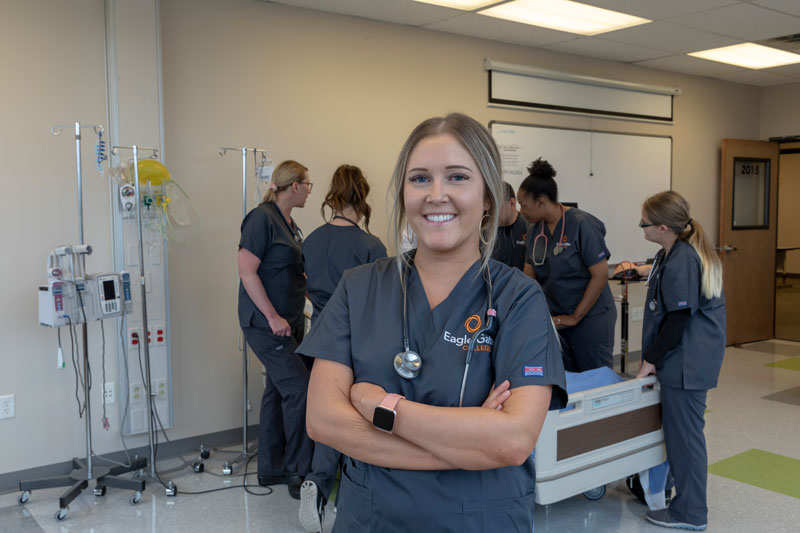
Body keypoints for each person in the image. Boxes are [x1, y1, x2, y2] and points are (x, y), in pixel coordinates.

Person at [297, 113, 567, 532]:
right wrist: (466, 446)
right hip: (372, 519)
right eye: (420, 179)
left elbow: (513, 440)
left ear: (488, 197)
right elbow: (323, 420)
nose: (436, 195)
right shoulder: (359, 288)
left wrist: (381, 407)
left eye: (457, 177)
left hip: (481, 521)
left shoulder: (519, 299)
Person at [299, 164, 387, 532]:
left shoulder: (311, 240)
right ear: (362, 197)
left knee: (325, 412)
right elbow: (379, 303)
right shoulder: (371, 246)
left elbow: (307, 288)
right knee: (353, 418)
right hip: (355, 339)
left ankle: (317, 483)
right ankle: (347, 493)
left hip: (318, 335)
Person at [635, 191, 725, 531]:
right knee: (680, 435)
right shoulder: (674, 253)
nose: (641, 227)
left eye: (644, 223)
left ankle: (690, 513)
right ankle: (679, 497)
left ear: (662, 228)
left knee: (685, 439)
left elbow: (678, 319)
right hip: (686, 359)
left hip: (686, 362)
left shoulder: (682, 258)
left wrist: (650, 360)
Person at [237, 159, 314, 500]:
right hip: (266, 323)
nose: (310, 190)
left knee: (277, 390)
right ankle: (298, 470)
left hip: (291, 321)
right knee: (300, 389)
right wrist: (271, 317)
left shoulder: (291, 225)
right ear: (294, 186)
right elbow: (246, 271)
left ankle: (271, 467)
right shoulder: (262, 219)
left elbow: (296, 274)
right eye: (307, 184)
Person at [518, 158, 617, 372]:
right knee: (566, 379)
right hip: (558, 319)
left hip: (590, 317)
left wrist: (574, 317)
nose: (521, 210)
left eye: (524, 205)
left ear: (541, 201)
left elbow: (600, 275)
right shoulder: (535, 231)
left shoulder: (582, 224)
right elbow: (528, 277)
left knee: (595, 379)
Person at [491, 181, 529, 270]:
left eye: (497, 208)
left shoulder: (529, 227)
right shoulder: (487, 230)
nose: (493, 214)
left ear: (512, 203)